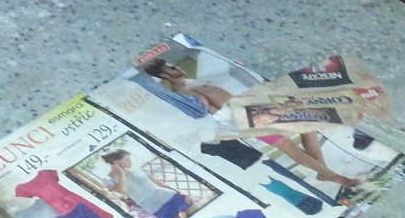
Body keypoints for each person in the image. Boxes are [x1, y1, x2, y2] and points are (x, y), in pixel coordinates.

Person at [144, 59, 364, 188]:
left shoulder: (190, 81)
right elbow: (210, 111)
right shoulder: (182, 90)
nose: (177, 68)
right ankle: (338, 178)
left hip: (249, 109)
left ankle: (323, 172)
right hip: (242, 118)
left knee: (307, 127)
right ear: (165, 76)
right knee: (287, 145)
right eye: (172, 68)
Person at [100, 150, 191, 218]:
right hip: (154, 207)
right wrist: (121, 172)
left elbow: (158, 183)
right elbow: (123, 190)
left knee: (194, 210)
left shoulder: (135, 169)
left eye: (130, 159)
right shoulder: (107, 179)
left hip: (167, 196)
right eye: (127, 160)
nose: (130, 162)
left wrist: (179, 192)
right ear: (116, 162)